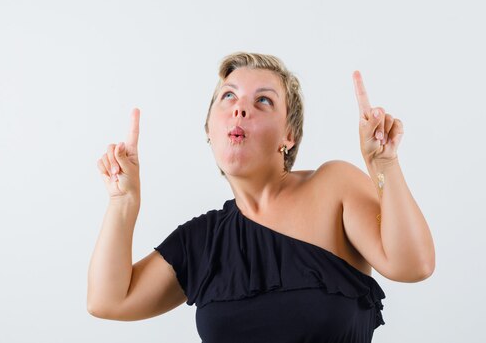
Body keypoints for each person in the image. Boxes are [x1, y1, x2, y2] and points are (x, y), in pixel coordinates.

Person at [87, 52, 435, 342]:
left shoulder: (334, 187)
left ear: (290, 135)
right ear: (210, 128)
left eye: (263, 100)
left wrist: (383, 164)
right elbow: (108, 300)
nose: (240, 109)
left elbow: (412, 265)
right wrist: (123, 202)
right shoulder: (203, 241)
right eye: (229, 97)